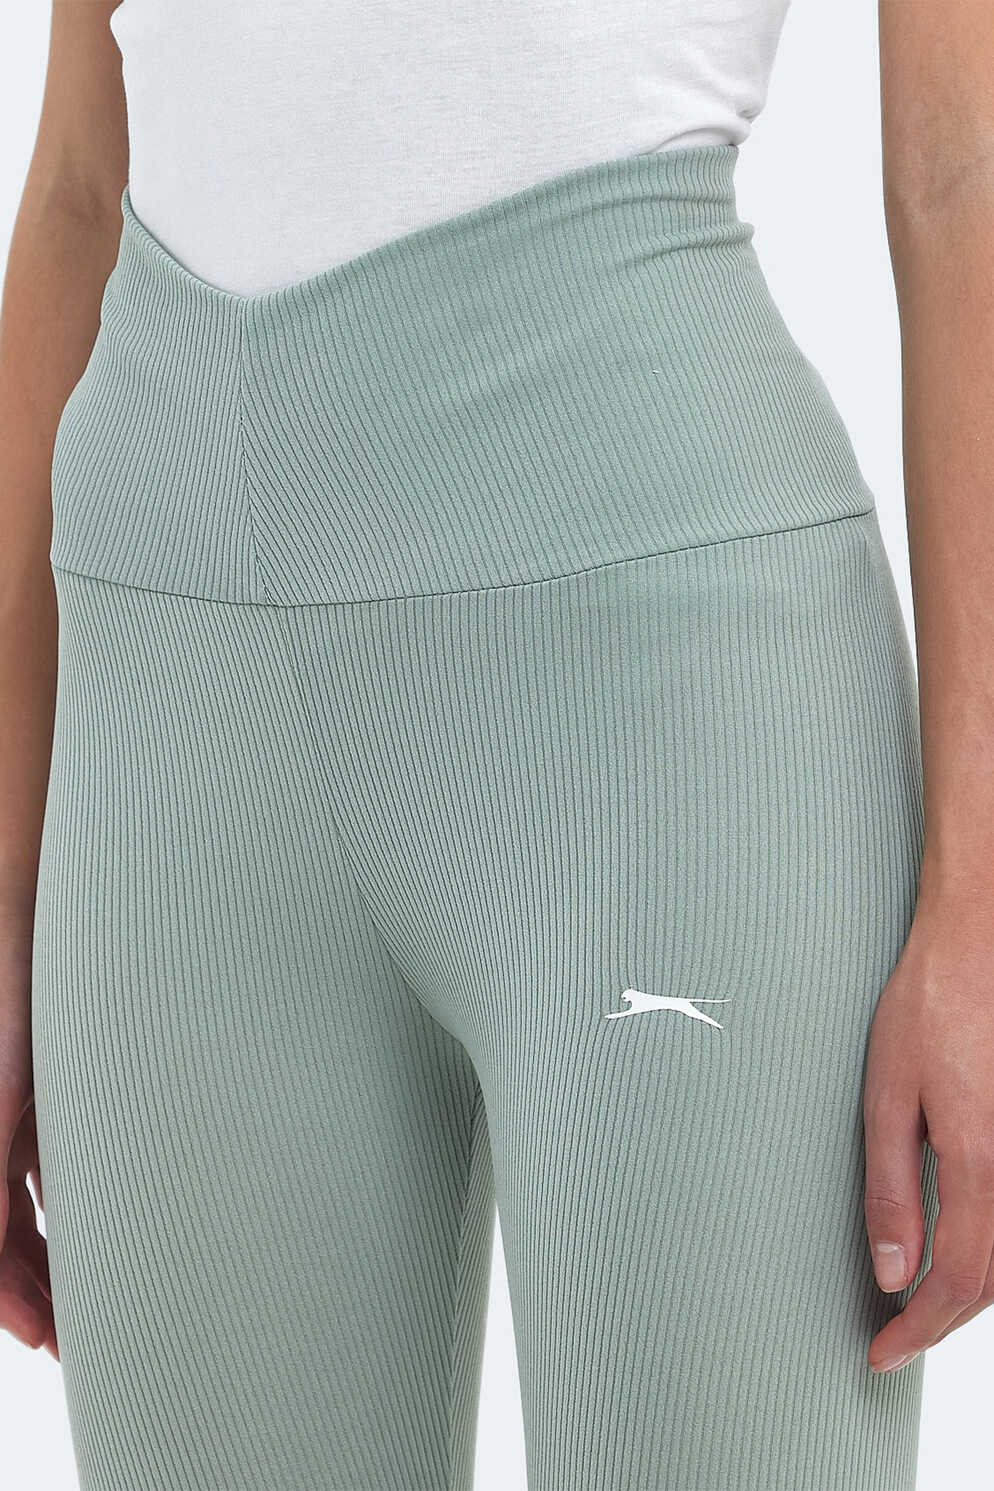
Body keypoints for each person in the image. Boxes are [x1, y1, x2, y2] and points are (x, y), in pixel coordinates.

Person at [1, 2, 991, 1487]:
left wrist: (979, 903)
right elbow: (84, 182)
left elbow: (963, 169)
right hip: (176, 727)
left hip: (666, 723)